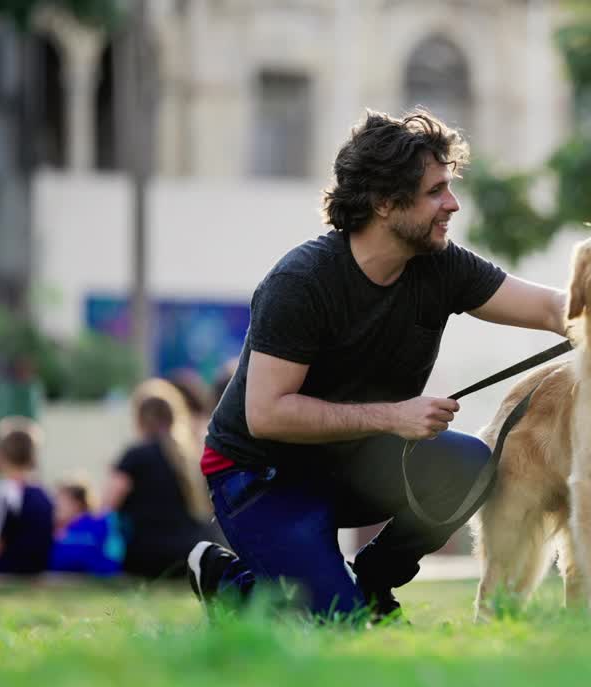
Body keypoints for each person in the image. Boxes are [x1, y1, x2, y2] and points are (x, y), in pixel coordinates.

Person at [187, 108, 567, 621]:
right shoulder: (302, 282)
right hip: (261, 473)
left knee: (469, 464)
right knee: (334, 626)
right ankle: (227, 581)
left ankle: (372, 586)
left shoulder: (441, 265)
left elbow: (550, 309)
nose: (452, 204)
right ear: (386, 202)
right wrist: (393, 416)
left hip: (348, 460)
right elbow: (268, 414)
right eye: (436, 191)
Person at [102, 389, 218, 579]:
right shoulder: (191, 457)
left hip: (146, 557)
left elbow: (107, 505)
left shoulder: (135, 455)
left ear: (140, 419)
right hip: (189, 556)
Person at [0, 417, 55, 575]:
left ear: (0, 456)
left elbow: (0, 541)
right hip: (38, 567)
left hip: (10, 568)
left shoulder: (8, 491)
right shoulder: (43, 493)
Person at [49, 479, 125, 576]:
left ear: (77, 503)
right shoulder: (54, 526)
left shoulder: (98, 522)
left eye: (62, 500)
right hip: (58, 579)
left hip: (94, 579)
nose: (56, 505)